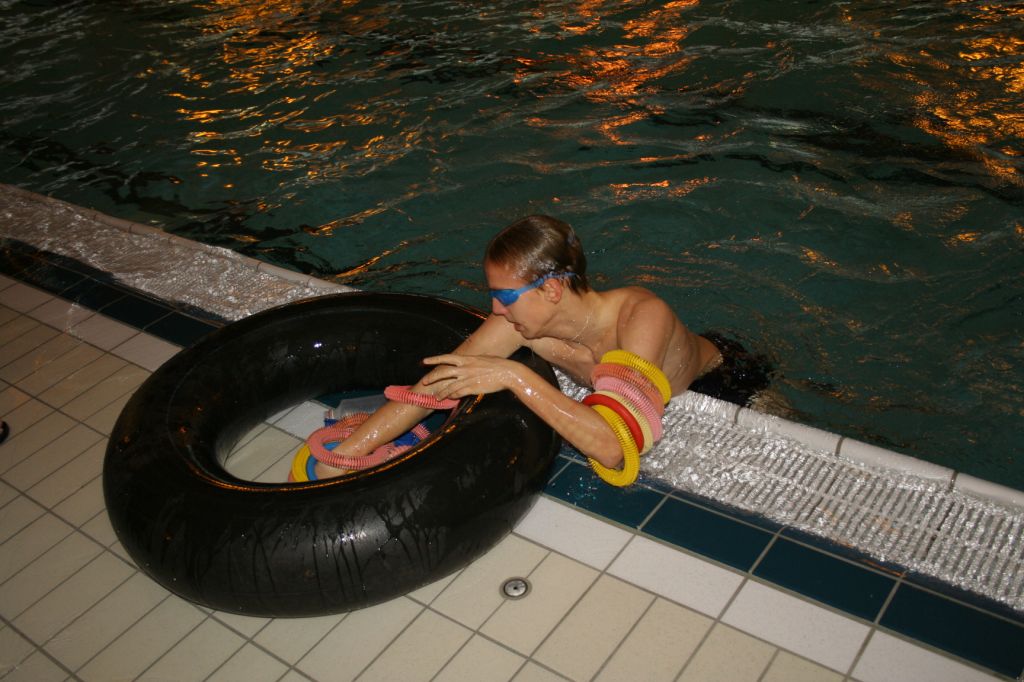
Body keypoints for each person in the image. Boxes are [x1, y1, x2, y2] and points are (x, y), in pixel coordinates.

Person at [314, 215, 752, 479]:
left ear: (552, 289)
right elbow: (435, 386)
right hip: (635, 386)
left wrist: (514, 375)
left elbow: (614, 447)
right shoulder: (521, 323)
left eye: (504, 296)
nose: (494, 308)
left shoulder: (641, 318)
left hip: (725, 377)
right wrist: (350, 453)